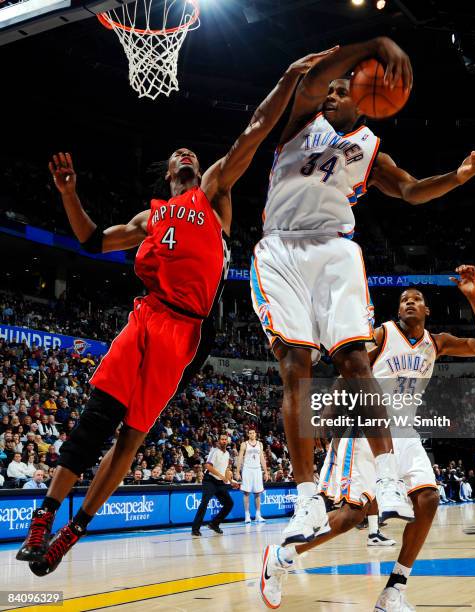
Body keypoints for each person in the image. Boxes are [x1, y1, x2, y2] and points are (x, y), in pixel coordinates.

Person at [16, 48, 336, 575]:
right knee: (97, 415)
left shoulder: (213, 194)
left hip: (186, 331)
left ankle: (75, 530)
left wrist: (285, 80)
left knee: (131, 435)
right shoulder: (151, 216)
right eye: (177, 154)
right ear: (167, 173)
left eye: (191, 152)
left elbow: (253, 132)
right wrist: (69, 195)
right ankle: (43, 516)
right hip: (146, 316)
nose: (186, 155)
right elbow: (92, 240)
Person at [250, 35, 475, 545]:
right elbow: (309, 80)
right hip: (281, 245)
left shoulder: (370, 150)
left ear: (364, 100)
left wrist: (459, 177)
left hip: (335, 247)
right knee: (296, 368)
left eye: (344, 88)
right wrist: (374, 44)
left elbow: (413, 190)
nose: (332, 92)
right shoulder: (303, 118)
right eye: (332, 86)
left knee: (353, 361)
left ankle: (390, 477)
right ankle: (307, 498)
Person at [260, 264, 475, 610]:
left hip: (405, 432)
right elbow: (349, 371)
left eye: (416, 299)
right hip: (366, 429)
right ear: (398, 310)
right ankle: (281, 556)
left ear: (427, 310)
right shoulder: (383, 334)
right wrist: (323, 416)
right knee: (350, 517)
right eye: (404, 300)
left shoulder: (437, 342)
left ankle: (394, 590)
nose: (410, 303)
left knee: (429, 499)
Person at [191, 434, 238, 536]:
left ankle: (214, 523)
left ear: (227, 442)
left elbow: (226, 469)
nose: (224, 441)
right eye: (222, 439)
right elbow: (207, 465)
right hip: (210, 480)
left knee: (229, 503)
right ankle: (195, 529)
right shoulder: (214, 451)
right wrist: (221, 476)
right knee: (204, 502)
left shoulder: (227, 454)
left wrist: (231, 480)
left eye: (225, 439)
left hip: (220, 482)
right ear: (219, 441)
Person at [236, 429, 269, 523]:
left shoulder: (260, 444)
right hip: (247, 469)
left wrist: (266, 471)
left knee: (257, 493)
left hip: (257, 469)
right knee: (246, 493)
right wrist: (238, 472)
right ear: (248, 435)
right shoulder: (244, 444)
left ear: (255, 434)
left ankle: (258, 515)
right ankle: (247, 515)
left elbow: (262, 458)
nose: (251, 434)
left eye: (253, 433)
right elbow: (240, 458)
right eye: (250, 433)